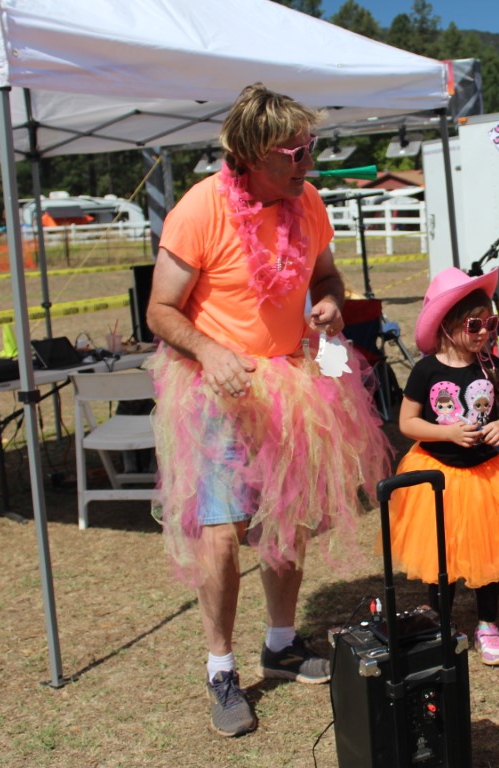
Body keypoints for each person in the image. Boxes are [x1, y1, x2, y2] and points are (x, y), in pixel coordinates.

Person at [145, 84, 390, 738]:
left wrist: (330, 303)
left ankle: (281, 643)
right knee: (222, 534)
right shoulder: (200, 209)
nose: (309, 161)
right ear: (253, 155)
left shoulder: (307, 201)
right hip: (216, 389)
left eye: (311, 147)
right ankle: (220, 668)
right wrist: (209, 351)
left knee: (288, 518)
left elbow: (327, 276)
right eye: (295, 152)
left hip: (290, 382)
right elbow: (160, 310)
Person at [386, 268, 499, 666]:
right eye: (475, 325)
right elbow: (407, 423)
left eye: (491, 324)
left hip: (487, 475)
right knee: (440, 554)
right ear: (448, 326)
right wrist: (446, 433)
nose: (485, 333)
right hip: (437, 474)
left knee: (489, 553)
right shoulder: (426, 371)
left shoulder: (492, 365)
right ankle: (440, 624)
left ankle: (487, 623)